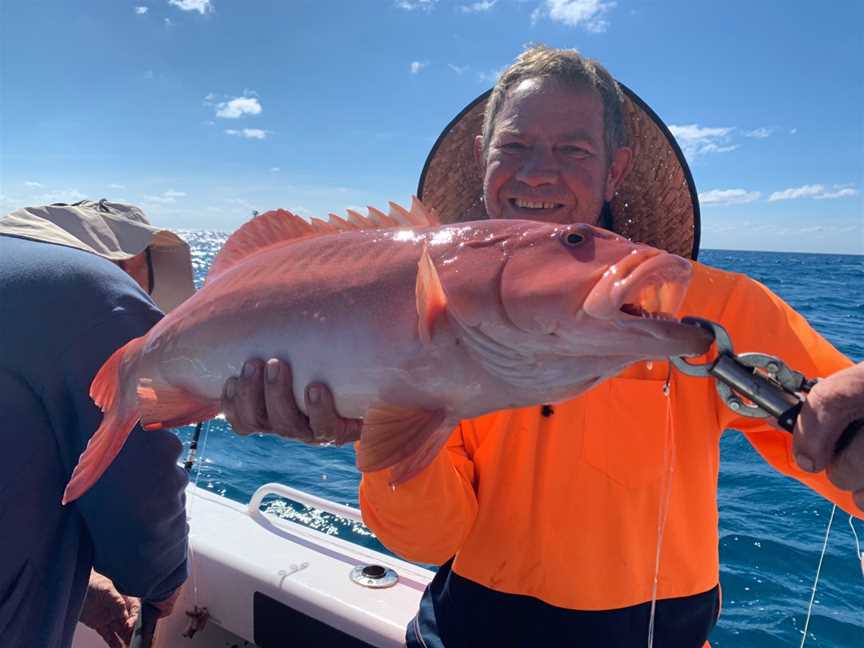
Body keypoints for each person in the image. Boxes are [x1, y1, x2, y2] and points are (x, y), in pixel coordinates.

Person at [221, 45, 863, 646]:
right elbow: (428, 537)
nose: (537, 172)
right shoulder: (418, 304)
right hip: (469, 626)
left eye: (574, 150)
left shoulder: (715, 310)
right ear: (483, 158)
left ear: (616, 168)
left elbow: (840, 442)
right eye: (516, 144)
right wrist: (378, 427)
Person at [0, 200, 195, 647]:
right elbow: (141, 498)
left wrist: (80, 588)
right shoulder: (96, 291)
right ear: (130, 261)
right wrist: (162, 580)